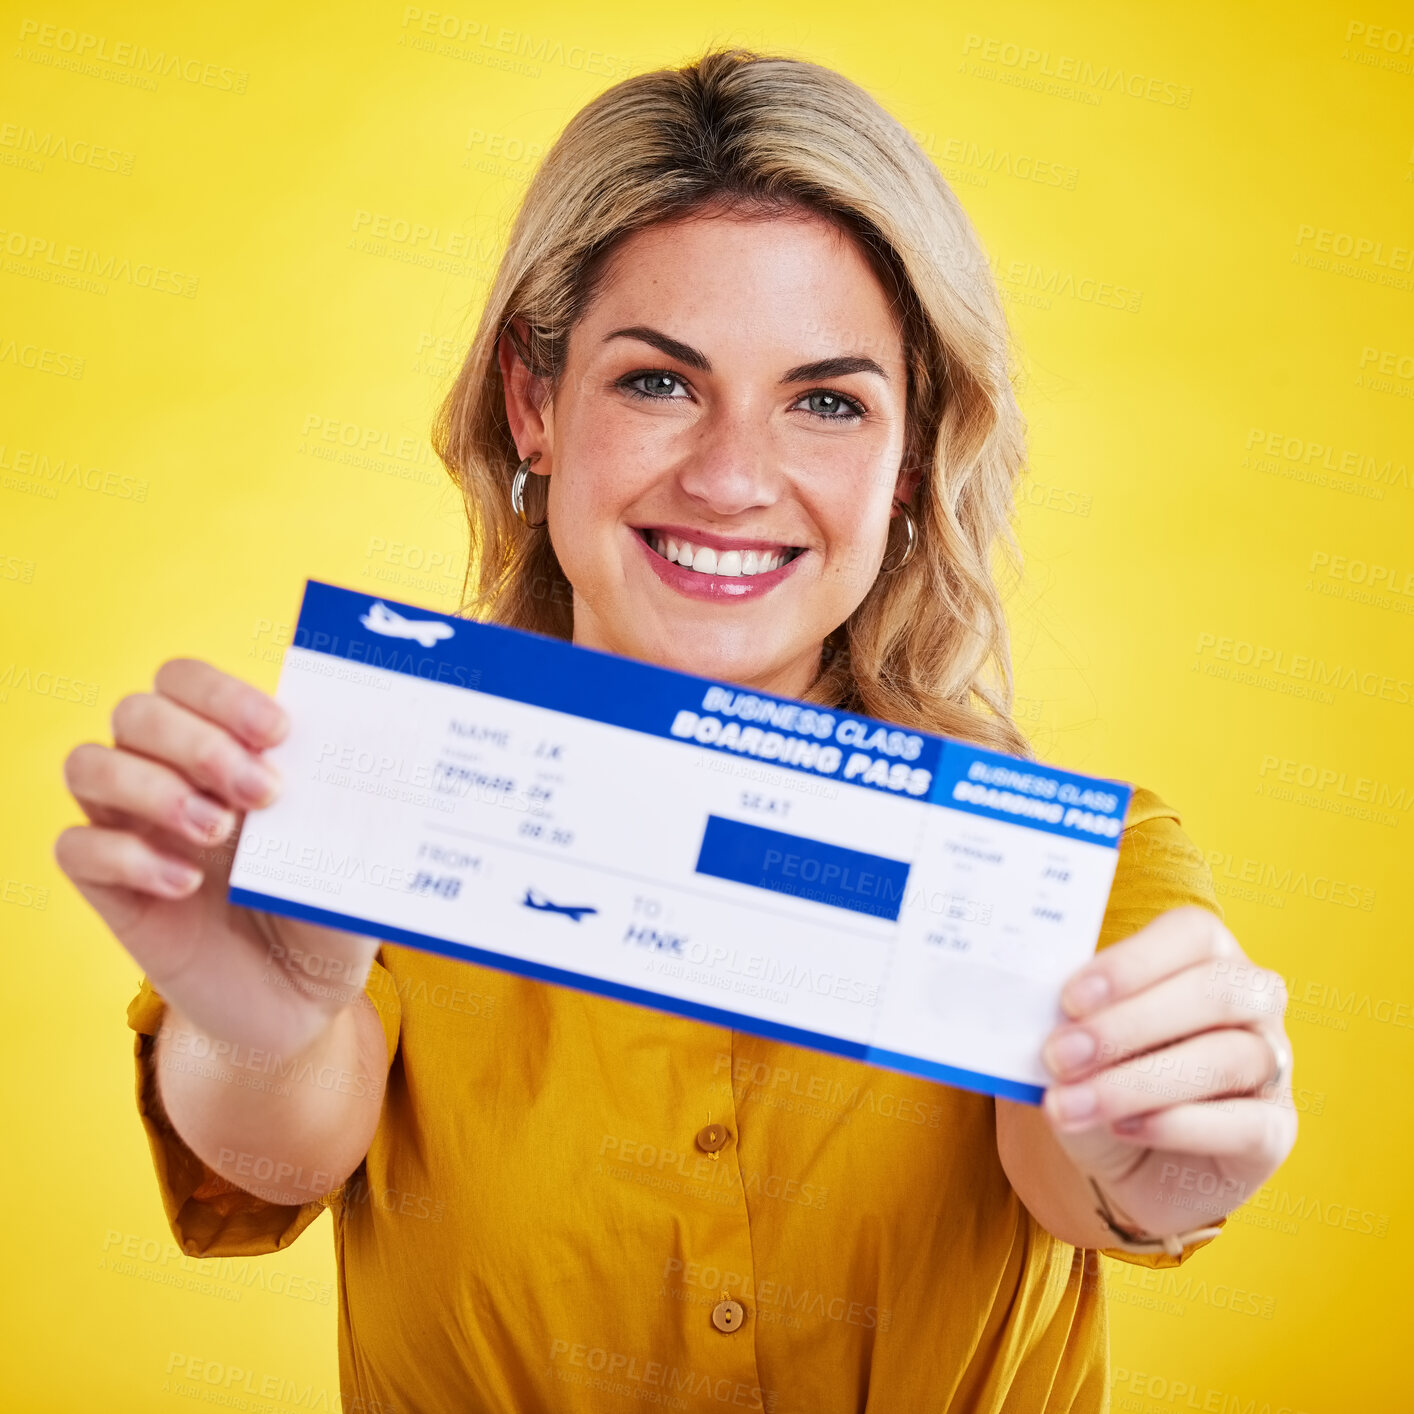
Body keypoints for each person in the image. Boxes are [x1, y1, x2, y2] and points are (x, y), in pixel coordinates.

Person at [55, 48, 1297, 1413]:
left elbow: (1084, 1174)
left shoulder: (1074, 872)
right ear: (537, 404)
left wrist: (1163, 1161)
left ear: (907, 458)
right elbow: (286, 1143)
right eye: (658, 382)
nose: (729, 477)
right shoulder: (376, 791)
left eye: (825, 401)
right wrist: (258, 1026)